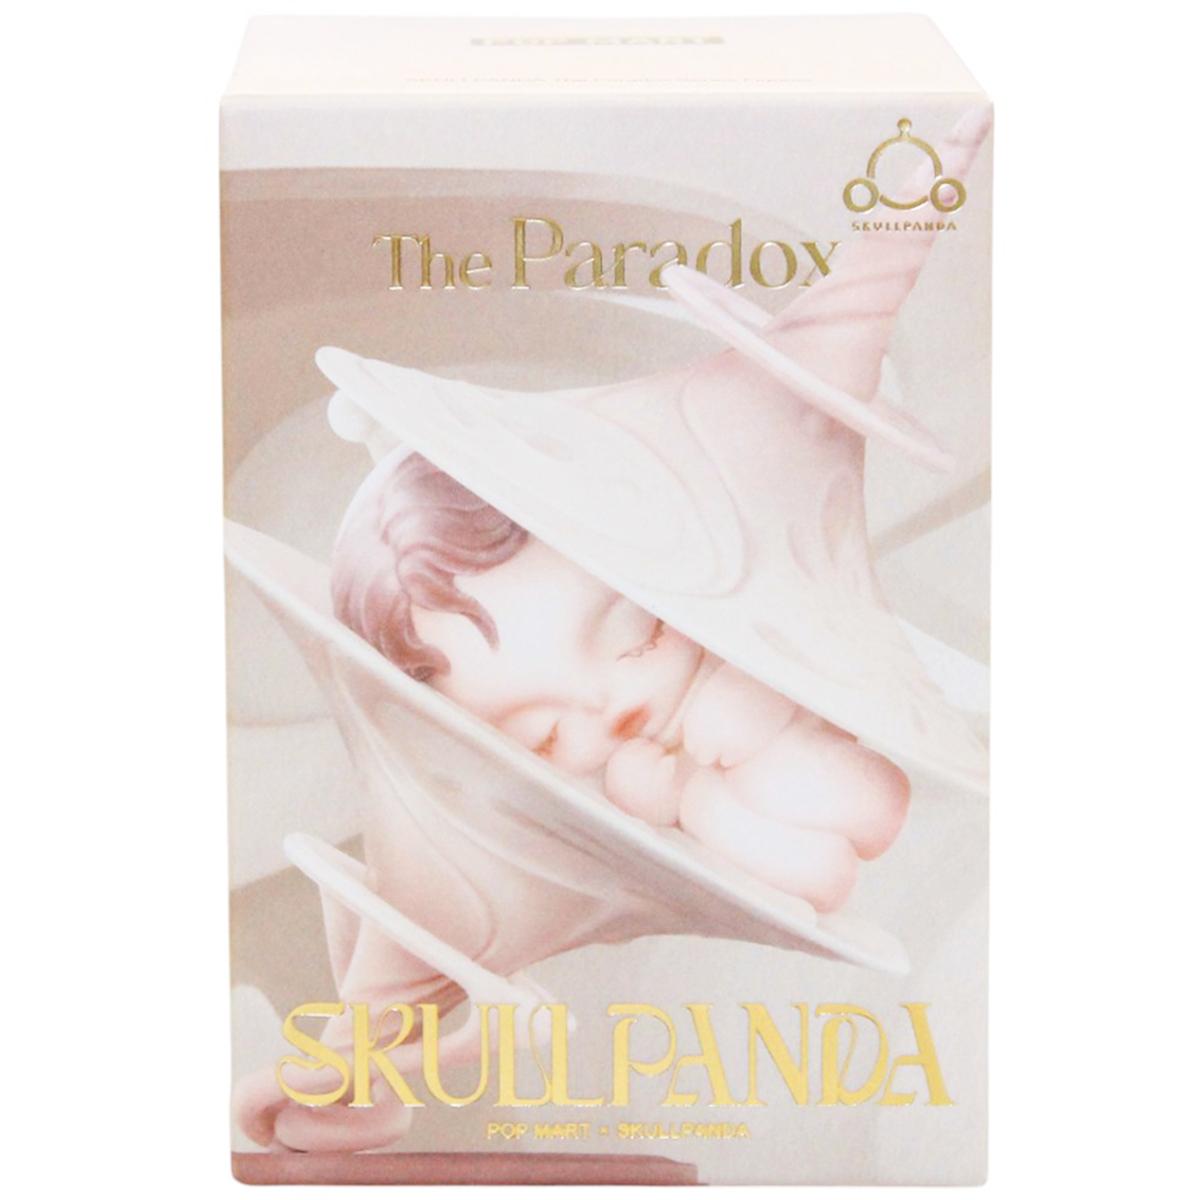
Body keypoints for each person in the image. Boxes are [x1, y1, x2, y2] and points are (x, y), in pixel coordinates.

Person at [331, 448, 910, 915]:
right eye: (547, 736)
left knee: (862, 798)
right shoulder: (623, 767)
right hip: (763, 842)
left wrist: (747, 700)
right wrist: (657, 797)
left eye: (639, 635)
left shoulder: (734, 623)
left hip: (818, 760)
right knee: (727, 818)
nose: (604, 705)